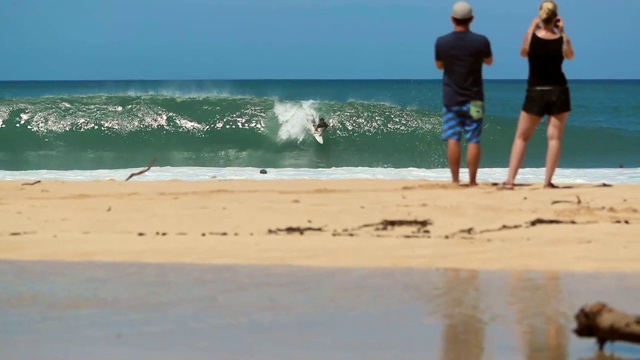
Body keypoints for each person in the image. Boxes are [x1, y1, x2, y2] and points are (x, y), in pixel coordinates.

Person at [502, 0, 574, 189]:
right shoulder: (562, 39)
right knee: (554, 138)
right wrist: (563, 32)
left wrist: (531, 27)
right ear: (555, 18)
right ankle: (548, 181)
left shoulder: (532, 38)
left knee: (521, 137)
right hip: (558, 90)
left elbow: (523, 52)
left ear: (540, 16)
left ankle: (510, 180)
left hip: (536, 91)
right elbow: (570, 55)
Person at [434, 1, 493, 186]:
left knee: (453, 138)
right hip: (475, 99)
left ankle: (455, 180)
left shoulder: (442, 42)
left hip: (452, 98)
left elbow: (439, 65)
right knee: (474, 138)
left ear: (452, 19)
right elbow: (489, 61)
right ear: (472, 19)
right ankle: (473, 181)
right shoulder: (481, 41)